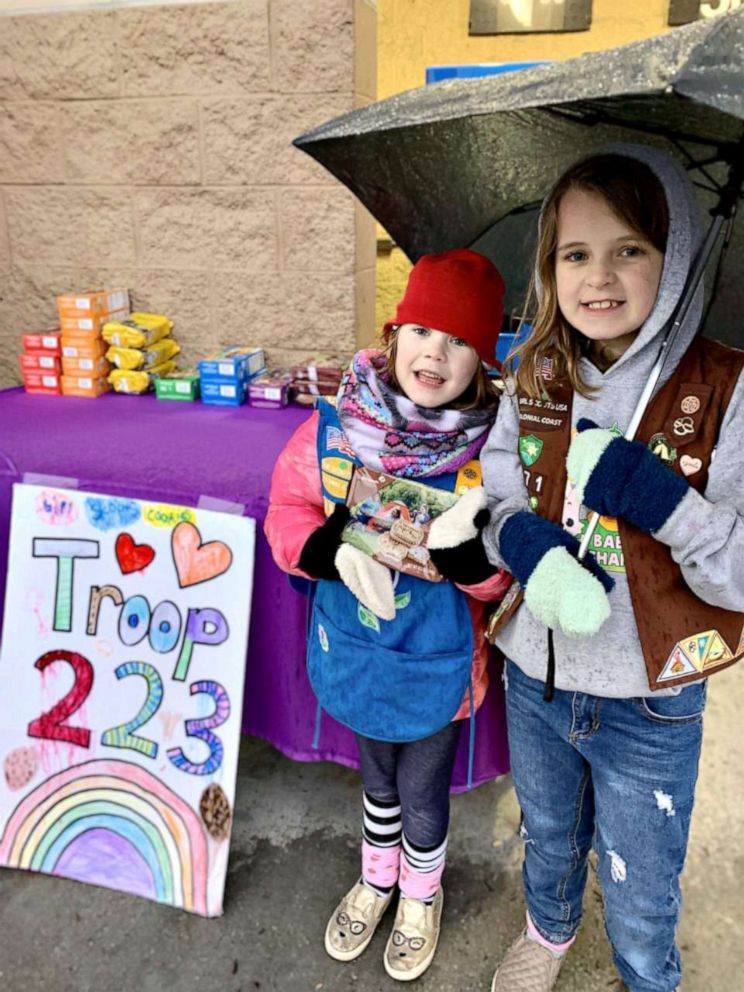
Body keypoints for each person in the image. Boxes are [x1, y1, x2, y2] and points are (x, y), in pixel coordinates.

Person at [428, 146, 744, 992]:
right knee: (550, 831)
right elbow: (495, 490)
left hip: (651, 700)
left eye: (630, 249)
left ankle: (647, 972)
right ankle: (550, 928)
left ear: (674, 258)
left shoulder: (722, 389)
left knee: (642, 885)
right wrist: (519, 541)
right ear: (549, 265)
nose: (598, 276)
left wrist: (665, 501)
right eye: (576, 253)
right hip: (538, 676)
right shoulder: (535, 370)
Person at [265, 248, 511, 982]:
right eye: (424, 330)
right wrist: (330, 548)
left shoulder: (494, 454)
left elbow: (512, 575)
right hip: (358, 649)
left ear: (482, 362)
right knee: (376, 781)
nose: (436, 352)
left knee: (421, 788)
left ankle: (420, 896)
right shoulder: (337, 428)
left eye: (461, 340)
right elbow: (286, 509)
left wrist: (474, 563)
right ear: (394, 331)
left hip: (435, 666)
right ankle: (376, 881)